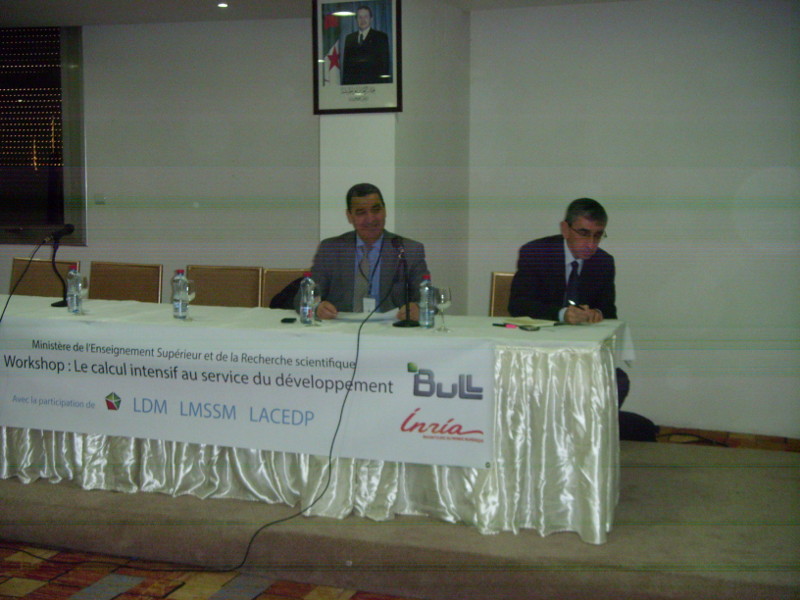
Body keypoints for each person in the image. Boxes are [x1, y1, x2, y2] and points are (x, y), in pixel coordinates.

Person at [508, 198, 636, 414]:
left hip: (581, 355)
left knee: (619, 381)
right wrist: (562, 314)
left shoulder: (603, 262)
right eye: (584, 233)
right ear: (565, 229)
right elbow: (518, 305)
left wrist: (597, 313)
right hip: (537, 352)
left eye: (598, 235)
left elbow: (609, 312)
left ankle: (590, 432)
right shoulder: (536, 252)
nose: (591, 244)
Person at [299, 183, 428, 321]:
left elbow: (428, 297)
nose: (370, 219)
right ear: (349, 216)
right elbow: (303, 297)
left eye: (376, 210)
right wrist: (317, 307)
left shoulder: (409, 250)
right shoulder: (330, 249)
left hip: (391, 327)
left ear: (385, 211)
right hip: (341, 327)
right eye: (361, 212)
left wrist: (419, 308)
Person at [341, 5, 391, 85]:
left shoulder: (381, 37)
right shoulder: (349, 38)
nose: (362, 20)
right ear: (356, 19)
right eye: (360, 17)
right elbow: (346, 67)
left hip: (374, 85)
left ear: (371, 19)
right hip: (353, 86)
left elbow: (385, 66)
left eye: (365, 17)